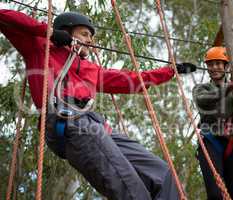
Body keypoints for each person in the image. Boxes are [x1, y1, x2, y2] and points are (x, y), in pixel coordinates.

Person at [0, 9, 196, 200]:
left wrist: (170, 71)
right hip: (68, 121)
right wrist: (49, 32)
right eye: (85, 34)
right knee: (132, 190)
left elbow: (134, 79)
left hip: (96, 124)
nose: (90, 40)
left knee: (163, 174)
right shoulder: (40, 48)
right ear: (66, 32)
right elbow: (6, 17)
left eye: (91, 36)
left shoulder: (90, 69)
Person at [192, 47, 233, 200]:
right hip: (211, 140)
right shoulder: (200, 89)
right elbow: (204, 100)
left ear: (226, 66)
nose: (214, 67)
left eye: (218, 63)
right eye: (210, 64)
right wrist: (226, 89)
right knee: (216, 194)